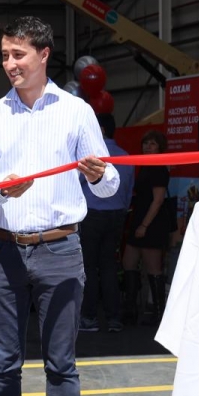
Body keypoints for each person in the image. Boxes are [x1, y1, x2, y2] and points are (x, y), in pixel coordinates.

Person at [0, 16, 119, 396]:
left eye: (18, 55)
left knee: (61, 364)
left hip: (59, 248)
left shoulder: (76, 113)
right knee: (4, 364)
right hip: (4, 251)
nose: (9, 63)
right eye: (5, 55)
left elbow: (111, 183)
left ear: (44, 54)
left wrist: (96, 175)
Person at [78, 113, 135, 333]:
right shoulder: (126, 156)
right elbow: (129, 191)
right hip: (117, 214)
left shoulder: (92, 158)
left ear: (99, 130)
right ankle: (114, 318)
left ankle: (89, 318)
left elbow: (78, 182)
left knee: (89, 267)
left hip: (91, 214)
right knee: (110, 265)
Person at [121, 129, 171, 326]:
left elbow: (158, 201)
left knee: (153, 268)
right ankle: (131, 309)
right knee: (128, 263)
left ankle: (159, 314)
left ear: (160, 147)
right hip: (139, 219)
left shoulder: (158, 168)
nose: (147, 147)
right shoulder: (145, 166)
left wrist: (144, 225)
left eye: (152, 144)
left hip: (151, 222)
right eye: (145, 143)